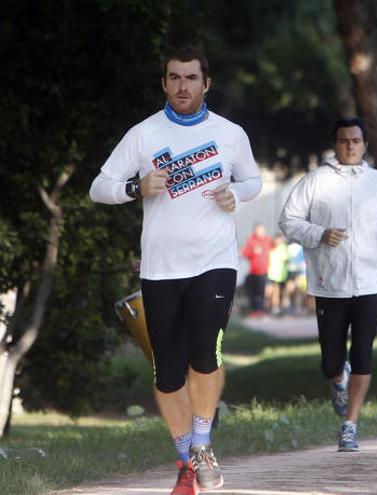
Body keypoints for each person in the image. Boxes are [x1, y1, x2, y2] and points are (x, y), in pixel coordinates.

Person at [89, 46, 262, 494]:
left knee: (205, 354)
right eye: (174, 77)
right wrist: (135, 186)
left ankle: (203, 445)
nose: (182, 86)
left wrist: (236, 195)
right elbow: (99, 187)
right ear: (164, 83)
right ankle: (185, 459)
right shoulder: (144, 135)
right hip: (161, 268)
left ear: (206, 84)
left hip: (215, 262)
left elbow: (253, 179)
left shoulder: (230, 134)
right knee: (167, 373)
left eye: (191, 78)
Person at [279, 117, 377, 452]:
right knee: (331, 362)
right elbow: (288, 221)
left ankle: (350, 426)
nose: (350, 146)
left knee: (364, 353)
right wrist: (319, 234)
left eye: (356, 140)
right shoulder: (316, 181)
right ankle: (338, 380)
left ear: (365, 145)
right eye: (343, 141)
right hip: (330, 282)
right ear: (335, 145)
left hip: (370, 282)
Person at [241, 223, 274, 318]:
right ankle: (255, 310)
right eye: (259, 230)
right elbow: (244, 253)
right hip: (254, 272)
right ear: (255, 231)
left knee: (263, 292)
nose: (261, 232)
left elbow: (275, 247)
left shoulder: (268, 240)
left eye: (263, 230)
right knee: (253, 292)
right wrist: (253, 252)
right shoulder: (251, 241)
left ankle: (261, 310)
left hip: (266, 271)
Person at [266, 233, 291, 316]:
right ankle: (274, 307)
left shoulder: (284, 248)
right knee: (274, 292)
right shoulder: (271, 248)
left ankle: (279, 308)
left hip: (282, 275)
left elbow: (288, 258)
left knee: (282, 292)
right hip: (273, 274)